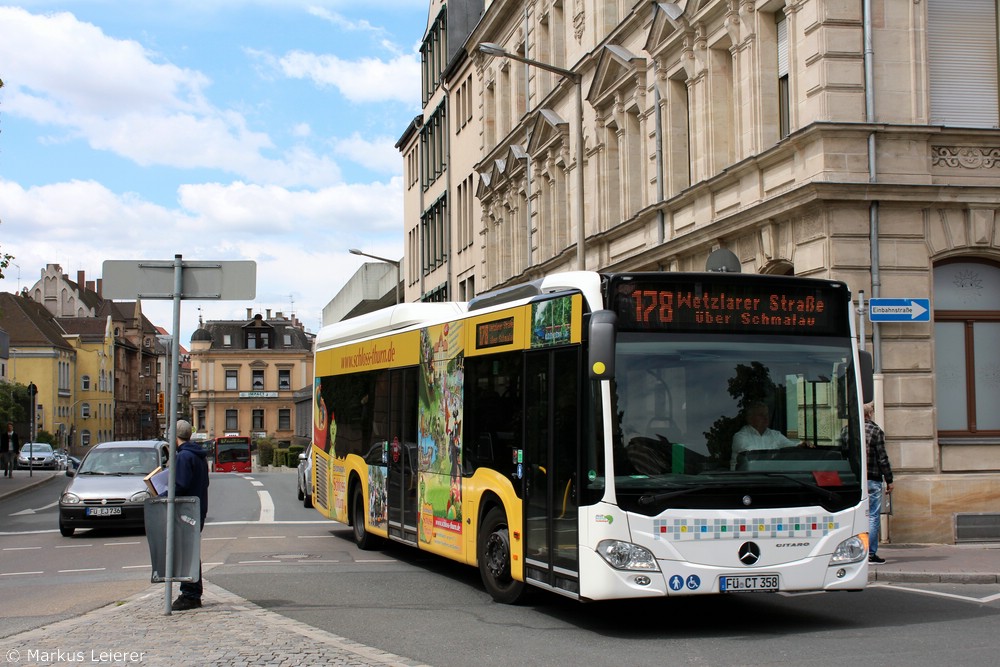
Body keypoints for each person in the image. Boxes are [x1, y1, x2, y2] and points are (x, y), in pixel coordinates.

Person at [163, 419, 210, 610]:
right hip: (198, 507)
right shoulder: (198, 455)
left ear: (174, 437)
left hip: (186, 510)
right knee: (190, 551)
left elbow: (180, 485)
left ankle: (190, 594)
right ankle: (192, 592)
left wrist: (163, 495)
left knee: (187, 552)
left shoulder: (184, 457)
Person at [731, 402, 803, 470]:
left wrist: (802, 446)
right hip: (746, 480)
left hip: (771, 478)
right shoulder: (740, 437)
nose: (766, 418)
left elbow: (793, 448)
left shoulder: (775, 435)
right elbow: (755, 458)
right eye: (761, 415)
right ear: (750, 418)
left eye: (767, 414)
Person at [864, 403, 893, 564]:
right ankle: (870, 554)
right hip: (873, 479)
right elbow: (883, 458)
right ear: (870, 414)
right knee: (873, 516)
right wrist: (889, 480)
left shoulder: (847, 431)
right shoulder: (876, 431)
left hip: (854, 480)